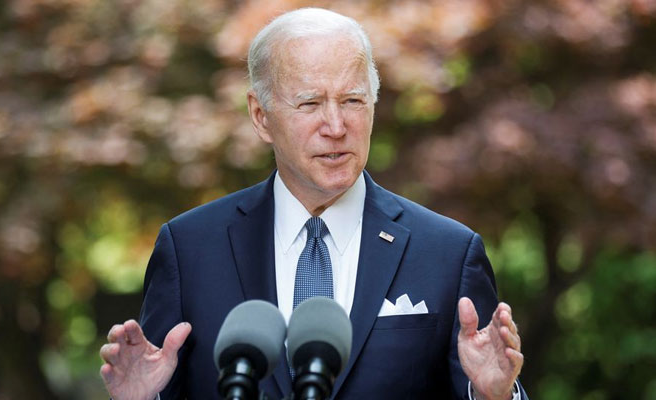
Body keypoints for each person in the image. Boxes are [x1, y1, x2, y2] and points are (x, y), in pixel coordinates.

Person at [100, 8, 528, 400]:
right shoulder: (189, 248)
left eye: (353, 101)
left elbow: (487, 383)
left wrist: (496, 396)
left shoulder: (448, 253)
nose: (337, 127)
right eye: (310, 103)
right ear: (261, 115)